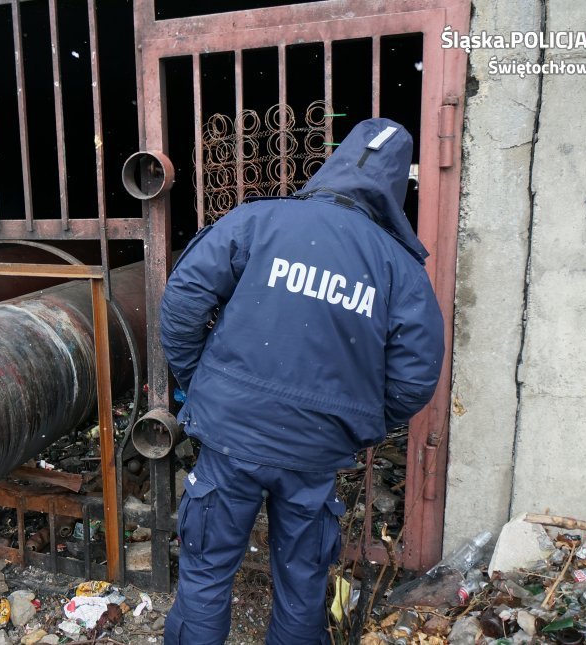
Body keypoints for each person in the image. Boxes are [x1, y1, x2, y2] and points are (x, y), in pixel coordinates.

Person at [159, 118, 445, 644]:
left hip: (232, 436)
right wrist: (358, 422)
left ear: (333, 163)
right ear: (398, 183)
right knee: (303, 586)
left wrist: (199, 381)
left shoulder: (259, 221)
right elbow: (416, 375)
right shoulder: (399, 270)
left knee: (205, 575)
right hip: (315, 452)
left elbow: (183, 300)